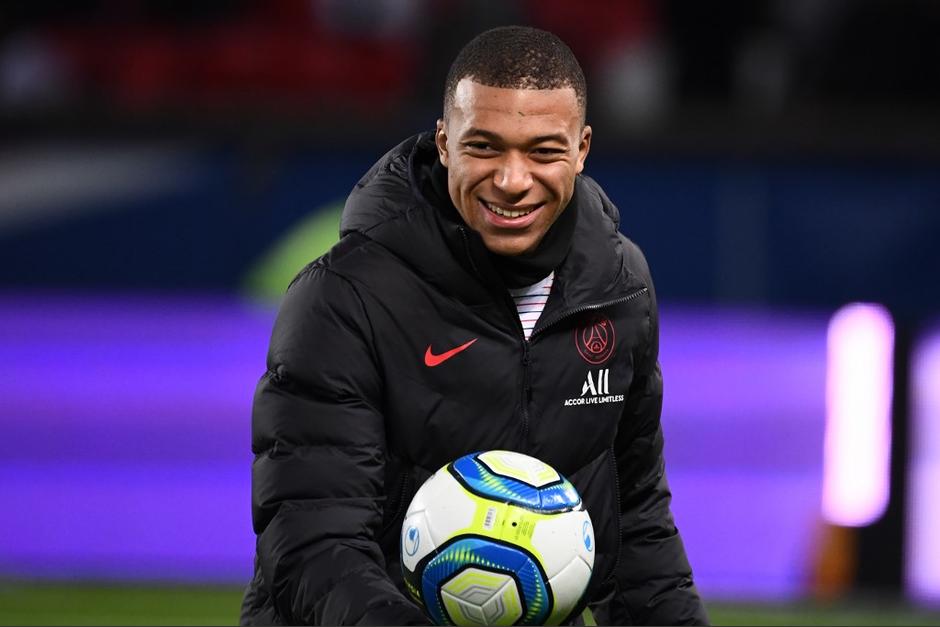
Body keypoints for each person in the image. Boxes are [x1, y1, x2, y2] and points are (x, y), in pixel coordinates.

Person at [240, 25, 708, 626]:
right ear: (443, 141)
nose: (513, 181)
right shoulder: (343, 298)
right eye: (484, 147)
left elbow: (636, 523)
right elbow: (313, 543)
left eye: (543, 151)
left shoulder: (619, 288)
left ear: (583, 148)